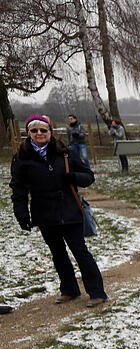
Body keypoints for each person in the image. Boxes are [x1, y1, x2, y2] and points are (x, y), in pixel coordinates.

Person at [10, 115, 108, 308]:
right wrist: (21, 213)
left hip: (69, 210)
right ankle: (70, 289)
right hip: (44, 212)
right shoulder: (21, 157)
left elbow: (89, 176)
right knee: (58, 253)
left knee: (80, 252)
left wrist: (74, 177)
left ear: (50, 132)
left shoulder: (66, 152)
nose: (39, 134)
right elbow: (18, 188)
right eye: (34, 130)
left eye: (43, 130)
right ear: (28, 133)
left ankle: (97, 292)